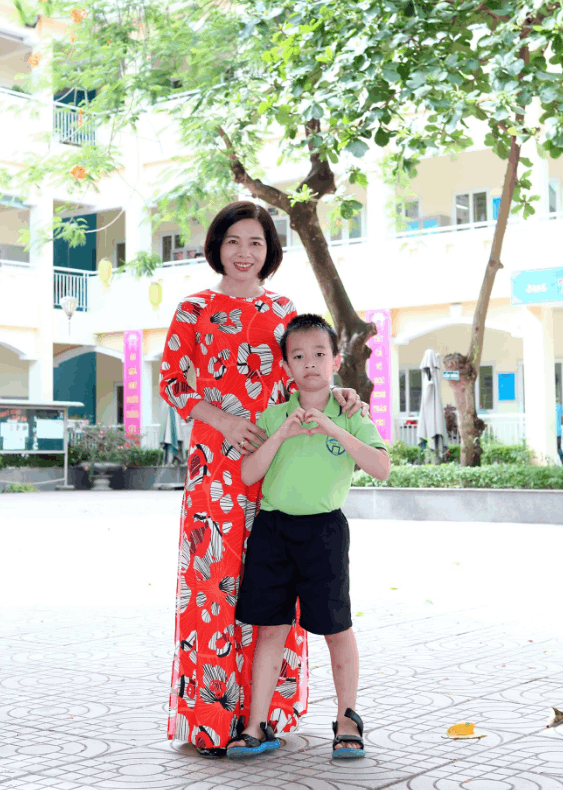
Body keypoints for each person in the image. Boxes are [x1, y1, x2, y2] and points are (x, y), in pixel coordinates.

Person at [159, 202, 365, 756]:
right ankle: (210, 719)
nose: (244, 252)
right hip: (214, 472)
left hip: (279, 467)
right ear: (217, 246)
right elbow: (173, 383)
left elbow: (304, 372)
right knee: (212, 588)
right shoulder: (193, 309)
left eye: (256, 242)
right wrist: (224, 421)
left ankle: (263, 716)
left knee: (273, 595)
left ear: (270, 250)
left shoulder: (282, 310)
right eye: (233, 241)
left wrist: (341, 392)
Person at [227, 313, 390, 760]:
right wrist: (283, 432)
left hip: (324, 532)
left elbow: (381, 467)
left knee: (337, 628)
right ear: (286, 366)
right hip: (273, 530)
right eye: (298, 356)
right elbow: (248, 473)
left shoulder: (352, 412)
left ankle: (347, 720)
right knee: (270, 629)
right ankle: (256, 726)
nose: (310, 363)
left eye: (320, 353)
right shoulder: (274, 415)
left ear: (336, 360)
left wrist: (332, 427)